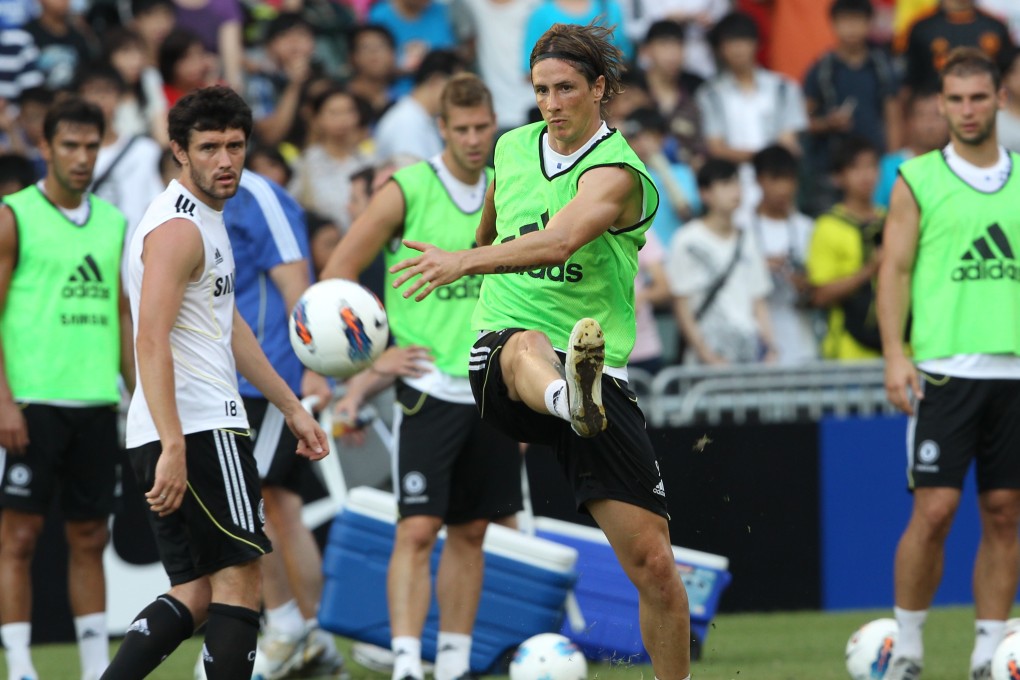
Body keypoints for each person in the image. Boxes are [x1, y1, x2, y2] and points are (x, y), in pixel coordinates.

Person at [387, 23, 691, 680]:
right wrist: (472, 263)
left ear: (599, 89)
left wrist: (464, 260)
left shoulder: (619, 173)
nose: (551, 103)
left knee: (658, 568)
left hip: (596, 366)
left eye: (565, 89)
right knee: (523, 342)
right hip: (506, 358)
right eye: (541, 90)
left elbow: (557, 242)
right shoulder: (512, 147)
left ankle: (576, 398)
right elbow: (492, 228)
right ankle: (565, 398)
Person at [100, 85, 328, 680]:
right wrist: (174, 443)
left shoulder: (206, 217)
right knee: (241, 578)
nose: (225, 160)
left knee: (197, 592)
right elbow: (148, 338)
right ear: (179, 150)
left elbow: (229, 330)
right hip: (198, 428)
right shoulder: (179, 228)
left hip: (178, 428)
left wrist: (291, 405)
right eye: (208, 147)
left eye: (235, 145)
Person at [323, 72, 523, 680]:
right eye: (459, 128)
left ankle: (455, 661)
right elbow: (338, 272)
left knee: (472, 532)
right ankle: (409, 661)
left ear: (495, 125)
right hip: (426, 389)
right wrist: (372, 357)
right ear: (440, 128)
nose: (472, 138)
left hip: (492, 386)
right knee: (416, 529)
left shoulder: (509, 187)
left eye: (482, 127)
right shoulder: (407, 189)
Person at [878, 47, 1020, 680]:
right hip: (944, 370)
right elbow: (895, 271)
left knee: (1005, 513)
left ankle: (989, 655)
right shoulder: (918, 178)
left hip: (1013, 372)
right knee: (934, 512)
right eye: (955, 99)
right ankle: (907, 646)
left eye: (978, 97)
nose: (966, 110)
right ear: (940, 104)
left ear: (998, 99)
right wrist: (894, 353)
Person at [0, 97, 130, 680]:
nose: (81, 158)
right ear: (46, 148)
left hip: (97, 404)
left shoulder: (114, 223)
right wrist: (3, 401)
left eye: (91, 146)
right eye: (70, 146)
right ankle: (21, 667)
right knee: (20, 537)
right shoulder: (13, 216)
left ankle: (95, 667)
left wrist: (142, 396)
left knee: (88, 538)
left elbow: (124, 317)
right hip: (30, 404)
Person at [667, 158, 776, 366]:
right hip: (707, 360)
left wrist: (770, 347)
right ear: (704, 193)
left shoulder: (749, 238)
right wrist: (708, 356)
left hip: (751, 354)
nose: (736, 191)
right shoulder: (686, 240)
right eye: (726, 184)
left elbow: (758, 300)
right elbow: (681, 305)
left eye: (737, 183)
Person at [803, 0, 900, 215]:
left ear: (869, 24)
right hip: (832, 171)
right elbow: (804, 118)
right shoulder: (822, 68)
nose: (852, 29)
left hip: (875, 167)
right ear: (833, 24)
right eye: (845, 22)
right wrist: (827, 123)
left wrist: (892, 161)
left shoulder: (881, 66)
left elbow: (893, 116)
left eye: (858, 21)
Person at [806, 136, 885, 361]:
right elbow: (819, 295)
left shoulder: (893, 220)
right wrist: (869, 270)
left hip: (900, 351)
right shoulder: (827, 226)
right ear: (838, 177)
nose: (865, 175)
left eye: (871, 166)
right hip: (848, 355)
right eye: (855, 168)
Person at [746, 144, 816, 366]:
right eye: (775, 179)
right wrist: (760, 268)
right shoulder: (741, 227)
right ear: (758, 180)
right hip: (755, 340)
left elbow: (818, 287)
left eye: (789, 179)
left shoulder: (807, 228)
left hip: (801, 340)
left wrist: (804, 283)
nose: (784, 188)